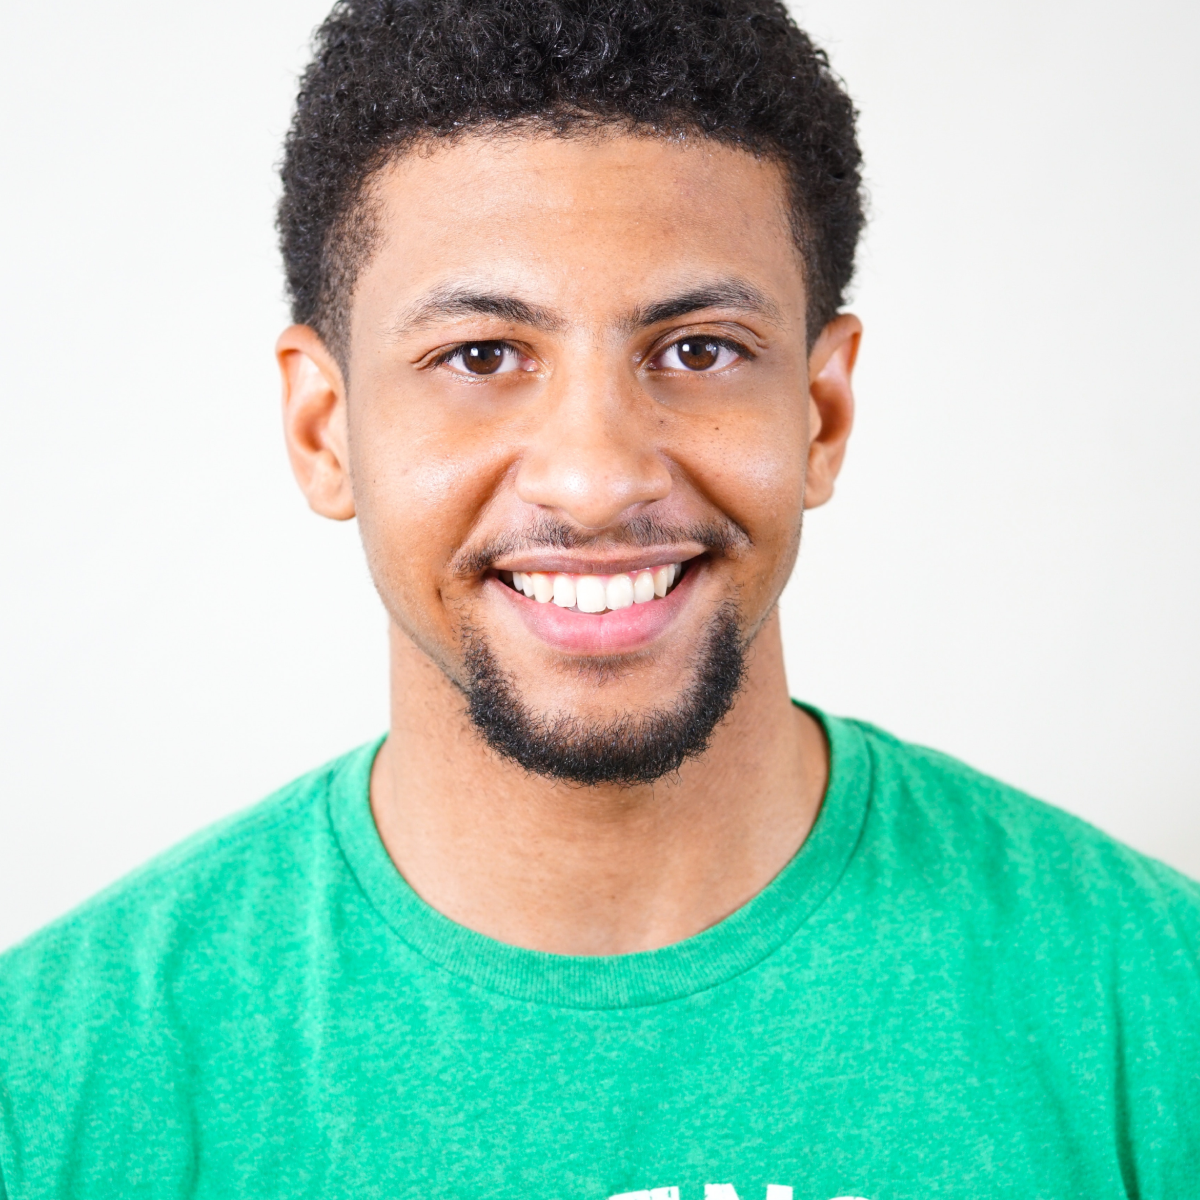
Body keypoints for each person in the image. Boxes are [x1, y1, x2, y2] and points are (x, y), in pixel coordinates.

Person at [1, 0, 1197, 1195]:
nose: (595, 478)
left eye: (698, 350)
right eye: (480, 356)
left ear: (822, 413)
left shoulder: (1157, 1006)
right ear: (325, 431)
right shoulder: (51, 1085)